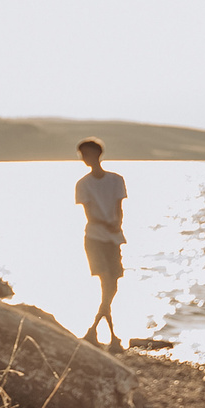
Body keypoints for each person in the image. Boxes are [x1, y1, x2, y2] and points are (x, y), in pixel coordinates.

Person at [74, 138, 127, 351]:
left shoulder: (116, 180)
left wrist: (117, 224)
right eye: (82, 155)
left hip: (113, 238)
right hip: (95, 238)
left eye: (87, 154)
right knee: (106, 282)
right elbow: (89, 215)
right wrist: (109, 223)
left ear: (98, 154)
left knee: (111, 286)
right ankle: (111, 337)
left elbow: (119, 207)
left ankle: (94, 331)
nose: (84, 159)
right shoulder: (83, 184)